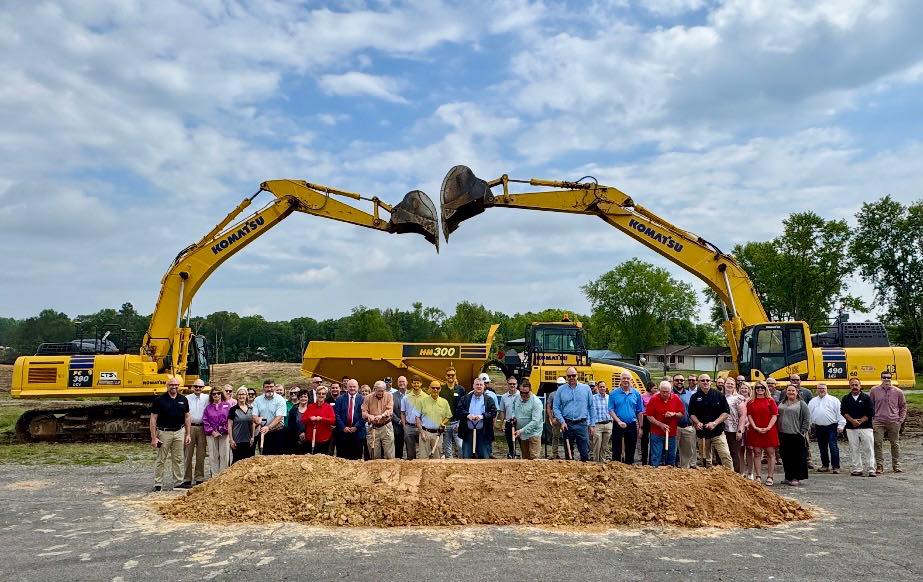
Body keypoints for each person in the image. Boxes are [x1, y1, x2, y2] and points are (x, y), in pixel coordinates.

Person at [150, 377, 191, 491]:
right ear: (167, 386)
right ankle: (158, 483)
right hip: (164, 433)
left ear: (179, 386)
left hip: (179, 432)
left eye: (176, 384)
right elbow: (153, 418)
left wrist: (188, 434)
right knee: (161, 459)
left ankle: (178, 483)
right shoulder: (159, 400)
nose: (174, 386)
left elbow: (187, 416)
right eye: (171, 384)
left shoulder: (183, 399)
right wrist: (154, 438)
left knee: (178, 458)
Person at [688, 374, 734, 469]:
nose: (705, 382)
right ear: (699, 382)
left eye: (707, 380)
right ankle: (707, 480)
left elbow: (726, 412)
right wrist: (697, 422)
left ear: (711, 382)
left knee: (725, 455)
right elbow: (691, 413)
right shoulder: (694, 397)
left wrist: (715, 423)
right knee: (705, 459)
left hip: (717, 432)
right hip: (702, 434)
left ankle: (732, 477)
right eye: (703, 380)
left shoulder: (719, 395)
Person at [552, 367, 593, 462]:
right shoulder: (561, 390)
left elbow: (591, 407)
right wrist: (562, 421)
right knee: (568, 452)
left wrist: (592, 424)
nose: (571, 377)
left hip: (582, 424)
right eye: (569, 376)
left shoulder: (586, 389)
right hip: (567, 424)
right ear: (566, 377)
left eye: (573, 375)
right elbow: (556, 407)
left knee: (584, 451)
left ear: (577, 375)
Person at [869, 371, 906, 474]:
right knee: (877, 443)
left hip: (894, 421)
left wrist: (900, 420)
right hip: (878, 421)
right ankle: (879, 466)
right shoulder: (874, 390)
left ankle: (896, 465)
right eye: (884, 377)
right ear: (881, 378)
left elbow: (903, 406)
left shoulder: (898, 392)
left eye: (888, 377)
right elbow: (870, 405)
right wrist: (872, 419)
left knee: (895, 444)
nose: (886, 379)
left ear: (891, 378)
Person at [841, 378, 876, 477]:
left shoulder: (866, 398)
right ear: (849, 386)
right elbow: (843, 412)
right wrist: (852, 421)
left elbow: (871, 412)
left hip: (866, 427)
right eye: (852, 385)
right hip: (851, 427)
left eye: (856, 385)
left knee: (868, 448)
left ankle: (871, 469)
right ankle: (857, 468)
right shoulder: (846, 398)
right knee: (854, 448)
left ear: (860, 386)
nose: (854, 387)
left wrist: (860, 421)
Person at [645, 380, 685, 467]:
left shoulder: (676, 398)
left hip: (672, 433)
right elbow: (649, 416)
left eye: (667, 392)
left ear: (670, 391)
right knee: (656, 455)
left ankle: (669, 474)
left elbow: (681, 413)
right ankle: (655, 472)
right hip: (657, 432)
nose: (665, 394)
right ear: (659, 390)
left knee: (671, 455)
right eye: (663, 392)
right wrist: (660, 424)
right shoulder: (654, 399)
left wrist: (673, 414)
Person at [745, 381, 779, 485]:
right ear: (754, 389)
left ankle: (770, 476)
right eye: (757, 388)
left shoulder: (770, 400)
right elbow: (749, 415)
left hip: (769, 430)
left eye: (762, 388)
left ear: (765, 389)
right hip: (755, 430)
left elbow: (775, 415)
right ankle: (758, 476)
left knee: (770, 453)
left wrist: (768, 427)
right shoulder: (751, 402)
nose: (760, 389)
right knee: (757, 453)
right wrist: (755, 427)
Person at [808, 383, 846, 473]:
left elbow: (840, 413)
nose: (821, 390)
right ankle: (825, 465)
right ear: (817, 390)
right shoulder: (813, 401)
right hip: (818, 427)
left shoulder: (834, 400)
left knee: (833, 446)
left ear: (827, 389)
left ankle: (836, 467)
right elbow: (809, 414)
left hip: (831, 426)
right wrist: (808, 426)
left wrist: (841, 425)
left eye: (823, 388)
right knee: (822, 447)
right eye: (819, 388)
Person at [608, 371, 644, 464]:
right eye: (624, 378)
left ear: (631, 380)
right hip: (618, 424)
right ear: (620, 380)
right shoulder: (613, 394)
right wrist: (619, 421)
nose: (626, 380)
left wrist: (640, 427)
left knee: (631, 449)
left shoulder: (636, 394)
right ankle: (616, 470)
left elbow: (639, 411)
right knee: (616, 450)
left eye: (628, 378)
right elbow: (611, 410)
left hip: (631, 424)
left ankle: (629, 469)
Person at [778, 385, 810, 486]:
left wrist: (803, 430)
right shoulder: (782, 403)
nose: (791, 392)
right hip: (783, 434)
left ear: (797, 392)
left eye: (793, 390)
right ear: (786, 392)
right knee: (785, 457)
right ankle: (788, 476)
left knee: (797, 457)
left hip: (796, 434)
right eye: (789, 390)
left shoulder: (801, 404)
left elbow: (807, 418)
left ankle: (796, 477)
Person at [457, 377, 497, 459]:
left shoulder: (489, 399)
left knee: (484, 456)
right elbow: (459, 410)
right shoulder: (465, 398)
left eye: (481, 385)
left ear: (484, 386)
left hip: (483, 432)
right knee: (466, 456)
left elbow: (493, 412)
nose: (479, 386)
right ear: (473, 386)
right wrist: (468, 415)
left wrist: (482, 416)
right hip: (468, 432)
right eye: (477, 384)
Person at [179, 378, 208, 488]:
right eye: (196, 386)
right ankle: (187, 479)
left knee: (201, 454)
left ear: (203, 388)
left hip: (202, 428)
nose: (198, 388)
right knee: (188, 454)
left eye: (200, 387)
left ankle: (199, 478)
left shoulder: (207, 398)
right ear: (192, 387)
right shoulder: (186, 398)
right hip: (190, 428)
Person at [251, 379, 288, 455]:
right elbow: (254, 415)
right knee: (264, 457)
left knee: (278, 457)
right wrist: (257, 420)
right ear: (263, 388)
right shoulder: (257, 400)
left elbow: (279, 417)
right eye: (267, 387)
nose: (269, 389)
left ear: (274, 387)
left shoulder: (280, 400)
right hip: (263, 434)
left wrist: (268, 427)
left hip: (278, 432)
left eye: (271, 387)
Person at [418, 380, 453, 459]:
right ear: (429, 388)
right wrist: (421, 432)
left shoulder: (444, 402)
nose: (435, 390)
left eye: (437, 388)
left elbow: (448, 416)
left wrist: (443, 423)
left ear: (440, 389)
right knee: (423, 458)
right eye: (433, 388)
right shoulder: (422, 401)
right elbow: (417, 417)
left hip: (438, 434)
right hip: (425, 433)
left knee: (437, 459)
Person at [362, 380, 395, 459]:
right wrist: (369, 416)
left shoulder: (389, 396)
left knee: (389, 453)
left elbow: (390, 410)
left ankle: (390, 470)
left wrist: (381, 416)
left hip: (386, 426)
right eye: (378, 391)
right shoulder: (367, 398)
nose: (380, 393)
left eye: (382, 391)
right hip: (373, 427)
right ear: (374, 389)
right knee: (374, 454)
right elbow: (364, 412)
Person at [511, 379, 543, 459]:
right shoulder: (517, 398)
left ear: (530, 391)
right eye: (521, 392)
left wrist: (520, 431)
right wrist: (513, 416)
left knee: (533, 457)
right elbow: (513, 408)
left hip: (534, 433)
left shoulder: (536, 402)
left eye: (526, 393)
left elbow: (535, 421)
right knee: (525, 457)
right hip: (522, 434)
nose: (523, 395)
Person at [334, 379, 366, 460]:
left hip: (358, 433)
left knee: (356, 459)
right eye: (350, 386)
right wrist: (343, 427)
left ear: (358, 387)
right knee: (342, 459)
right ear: (347, 387)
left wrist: (356, 427)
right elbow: (336, 415)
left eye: (354, 386)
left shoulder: (363, 399)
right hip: (343, 434)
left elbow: (364, 416)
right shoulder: (340, 399)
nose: (352, 388)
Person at [203, 387, 231, 477]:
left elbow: (229, 420)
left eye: (218, 393)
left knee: (224, 454)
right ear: (211, 395)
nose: (216, 395)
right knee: (213, 455)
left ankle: (223, 475)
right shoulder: (208, 408)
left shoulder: (227, 405)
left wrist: (222, 430)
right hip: (211, 434)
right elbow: (205, 420)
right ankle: (215, 476)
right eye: (214, 394)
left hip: (224, 433)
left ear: (221, 394)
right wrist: (212, 431)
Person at [722, 377, 747, 473]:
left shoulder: (739, 398)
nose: (729, 385)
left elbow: (742, 415)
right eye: (728, 383)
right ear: (724, 384)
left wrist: (740, 430)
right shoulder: (721, 396)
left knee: (734, 453)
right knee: (724, 453)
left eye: (732, 384)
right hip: (722, 429)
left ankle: (736, 474)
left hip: (734, 430)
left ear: (735, 386)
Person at [439, 367, 466, 459]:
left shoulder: (461, 389)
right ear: (445, 376)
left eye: (452, 375)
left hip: (457, 423)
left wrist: (461, 423)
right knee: (447, 448)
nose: (450, 376)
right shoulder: (441, 389)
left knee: (460, 446)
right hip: (445, 423)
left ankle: (461, 465)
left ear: (455, 376)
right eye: (448, 375)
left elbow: (464, 407)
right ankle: (449, 467)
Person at [302, 385, 336, 455]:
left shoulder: (329, 407)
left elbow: (333, 421)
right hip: (310, 438)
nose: (321, 395)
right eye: (319, 393)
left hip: (324, 438)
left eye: (323, 393)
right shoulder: (311, 406)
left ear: (325, 395)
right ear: (316, 394)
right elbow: (303, 420)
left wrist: (322, 419)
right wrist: (310, 418)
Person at [672, 374, 697, 469]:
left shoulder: (689, 394)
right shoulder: (669, 393)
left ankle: (684, 470)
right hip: (674, 427)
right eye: (677, 380)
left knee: (687, 452)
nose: (679, 382)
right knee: (672, 450)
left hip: (687, 426)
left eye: (681, 380)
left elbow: (693, 410)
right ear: (673, 381)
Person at [228, 387, 255, 463]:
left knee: (249, 462)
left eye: (243, 394)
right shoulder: (233, 409)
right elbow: (229, 425)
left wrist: (253, 437)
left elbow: (252, 423)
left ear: (246, 395)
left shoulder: (251, 409)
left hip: (248, 440)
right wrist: (231, 440)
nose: (241, 396)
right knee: (237, 462)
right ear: (237, 396)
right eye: (239, 394)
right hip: (237, 441)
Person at [401, 375, 424, 460]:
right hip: (409, 427)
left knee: (423, 450)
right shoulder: (406, 398)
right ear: (411, 384)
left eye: (418, 383)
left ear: (421, 384)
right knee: (410, 451)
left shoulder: (426, 397)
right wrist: (404, 426)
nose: (416, 385)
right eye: (414, 383)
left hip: (422, 427)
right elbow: (402, 413)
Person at [590, 380, 612, 463]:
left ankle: (602, 462)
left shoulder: (609, 398)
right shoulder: (593, 398)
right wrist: (591, 425)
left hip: (608, 424)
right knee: (597, 445)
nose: (602, 388)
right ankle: (596, 463)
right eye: (600, 387)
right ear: (598, 388)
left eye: (603, 386)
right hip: (597, 425)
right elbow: (590, 412)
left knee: (605, 446)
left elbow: (612, 410)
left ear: (606, 387)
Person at [499, 376, 520, 459]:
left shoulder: (521, 395)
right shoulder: (504, 397)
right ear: (507, 385)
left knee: (521, 441)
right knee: (510, 441)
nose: (512, 385)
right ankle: (511, 454)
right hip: (508, 422)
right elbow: (502, 411)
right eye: (510, 384)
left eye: (514, 384)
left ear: (517, 385)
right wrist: (502, 423)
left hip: (519, 423)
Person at [545, 377, 566, 459]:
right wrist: (551, 418)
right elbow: (548, 407)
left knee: (567, 437)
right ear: (557, 385)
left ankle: (568, 453)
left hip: (566, 419)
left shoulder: (568, 393)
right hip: (556, 419)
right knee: (555, 436)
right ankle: (554, 453)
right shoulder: (552, 394)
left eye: (562, 385)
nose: (560, 386)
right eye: (559, 385)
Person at [287, 389, 311, 454]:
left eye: (305, 397)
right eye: (301, 397)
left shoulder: (311, 409)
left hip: (309, 438)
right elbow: (291, 424)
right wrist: (299, 433)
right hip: (295, 438)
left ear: (308, 398)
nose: (303, 398)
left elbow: (312, 424)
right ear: (298, 398)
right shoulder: (293, 409)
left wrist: (305, 433)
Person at [392, 376, 408, 459]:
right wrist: (399, 421)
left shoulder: (411, 395)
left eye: (403, 381)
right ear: (397, 384)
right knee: (398, 448)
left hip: (410, 426)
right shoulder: (392, 396)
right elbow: (391, 411)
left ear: (407, 382)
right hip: (397, 426)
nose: (401, 383)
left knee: (411, 448)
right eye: (400, 382)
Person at [639, 383, 655, 465]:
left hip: (654, 418)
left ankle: (652, 461)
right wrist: (640, 426)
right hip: (645, 418)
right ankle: (644, 461)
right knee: (645, 440)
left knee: (654, 439)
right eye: (654, 388)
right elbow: (640, 411)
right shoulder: (642, 396)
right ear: (650, 388)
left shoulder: (656, 396)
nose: (656, 390)